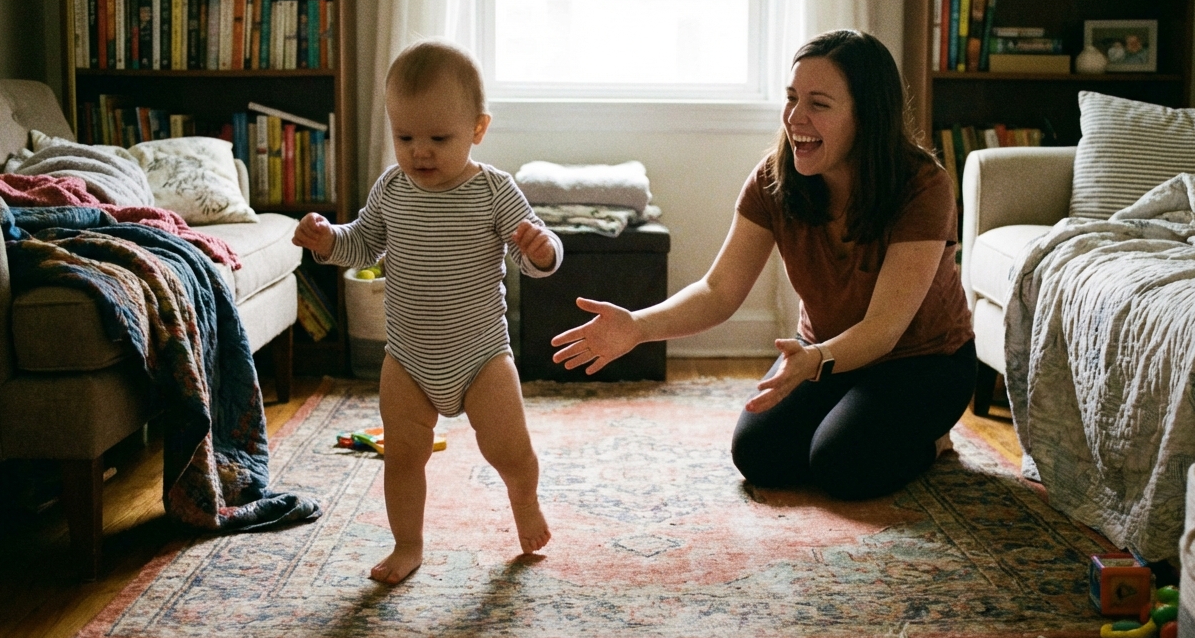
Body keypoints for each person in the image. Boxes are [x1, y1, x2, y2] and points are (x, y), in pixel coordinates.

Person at [551, 29, 976, 500]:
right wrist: (637, 327)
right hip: (822, 356)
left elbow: (885, 327)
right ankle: (856, 419)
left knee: (842, 466)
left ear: (867, 115)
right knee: (760, 456)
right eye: (792, 98)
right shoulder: (776, 180)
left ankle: (933, 440)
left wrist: (814, 361)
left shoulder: (922, 186)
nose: (796, 117)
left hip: (923, 362)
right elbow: (718, 291)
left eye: (819, 103)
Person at [293, 40, 562, 584]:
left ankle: (524, 499)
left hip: (481, 356)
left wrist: (541, 249)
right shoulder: (391, 188)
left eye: (439, 138)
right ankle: (407, 544)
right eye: (404, 137)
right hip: (409, 359)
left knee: (510, 450)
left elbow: (535, 256)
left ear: (477, 130)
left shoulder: (493, 190)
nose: (420, 151)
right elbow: (362, 244)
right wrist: (325, 240)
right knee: (402, 459)